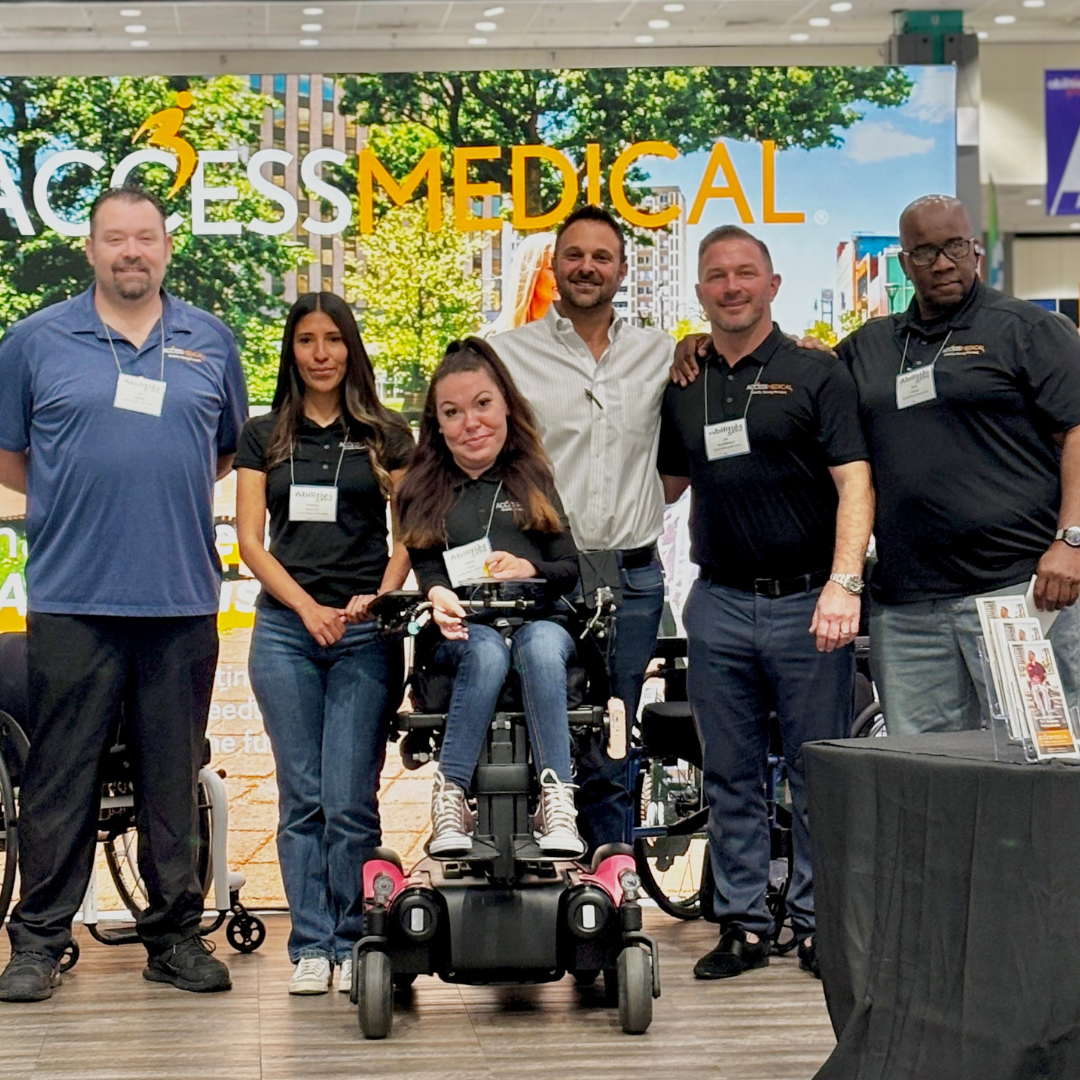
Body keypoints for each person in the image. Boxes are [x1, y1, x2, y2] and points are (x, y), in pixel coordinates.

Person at [0, 185, 247, 1001]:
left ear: (167, 248)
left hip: (179, 599)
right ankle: (37, 942)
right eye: (115, 239)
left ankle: (174, 938)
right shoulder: (33, 342)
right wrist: (78, 499)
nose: (131, 251)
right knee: (59, 779)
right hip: (72, 597)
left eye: (145, 238)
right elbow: (10, 457)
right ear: (92, 250)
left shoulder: (210, 340)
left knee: (171, 781)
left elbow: (218, 454)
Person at [658, 225, 873, 980]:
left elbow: (855, 483)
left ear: (773, 284)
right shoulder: (684, 381)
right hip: (717, 605)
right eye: (716, 275)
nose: (732, 286)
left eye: (746, 273)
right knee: (731, 775)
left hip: (810, 604)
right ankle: (745, 924)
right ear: (700, 292)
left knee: (817, 774)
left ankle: (817, 925)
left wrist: (844, 584)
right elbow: (663, 488)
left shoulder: (816, 373)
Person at [836, 195, 1080, 734]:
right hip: (907, 612)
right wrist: (704, 347)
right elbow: (806, 390)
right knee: (925, 783)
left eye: (953, 247)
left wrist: (1072, 539)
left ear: (976, 249)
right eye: (924, 252)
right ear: (905, 263)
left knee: (1043, 761)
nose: (942, 263)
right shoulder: (868, 349)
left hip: (1019, 594)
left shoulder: (1029, 330)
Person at [234, 293, 413, 996]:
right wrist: (307, 608)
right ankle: (310, 943)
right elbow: (251, 541)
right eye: (306, 340)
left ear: (351, 348)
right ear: (291, 350)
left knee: (349, 799)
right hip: (286, 630)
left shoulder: (384, 434)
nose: (319, 353)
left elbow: (415, 530)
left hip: (364, 633)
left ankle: (353, 937)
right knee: (301, 796)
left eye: (332, 339)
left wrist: (382, 594)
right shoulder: (263, 436)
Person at [493, 205, 672, 851]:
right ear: (555, 266)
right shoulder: (506, 357)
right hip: (544, 574)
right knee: (533, 733)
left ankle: (610, 897)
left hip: (630, 576)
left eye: (602, 256)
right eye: (575, 255)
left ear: (622, 269)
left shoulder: (661, 353)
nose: (587, 267)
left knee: (614, 744)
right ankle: (533, 902)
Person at [397, 337, 585, 858]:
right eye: (452, 413)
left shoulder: (532, 477)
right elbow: (427, 566)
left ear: (506, 404)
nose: (471, 423)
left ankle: (557, 797)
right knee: (485, 650)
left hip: (539, 621)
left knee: (541, 646)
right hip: (464, 632)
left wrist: (530, 568)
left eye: (483, 404)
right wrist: (437, 595)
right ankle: (451, 795)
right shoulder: (422, 487)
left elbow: (570, 570)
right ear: (436, 424)